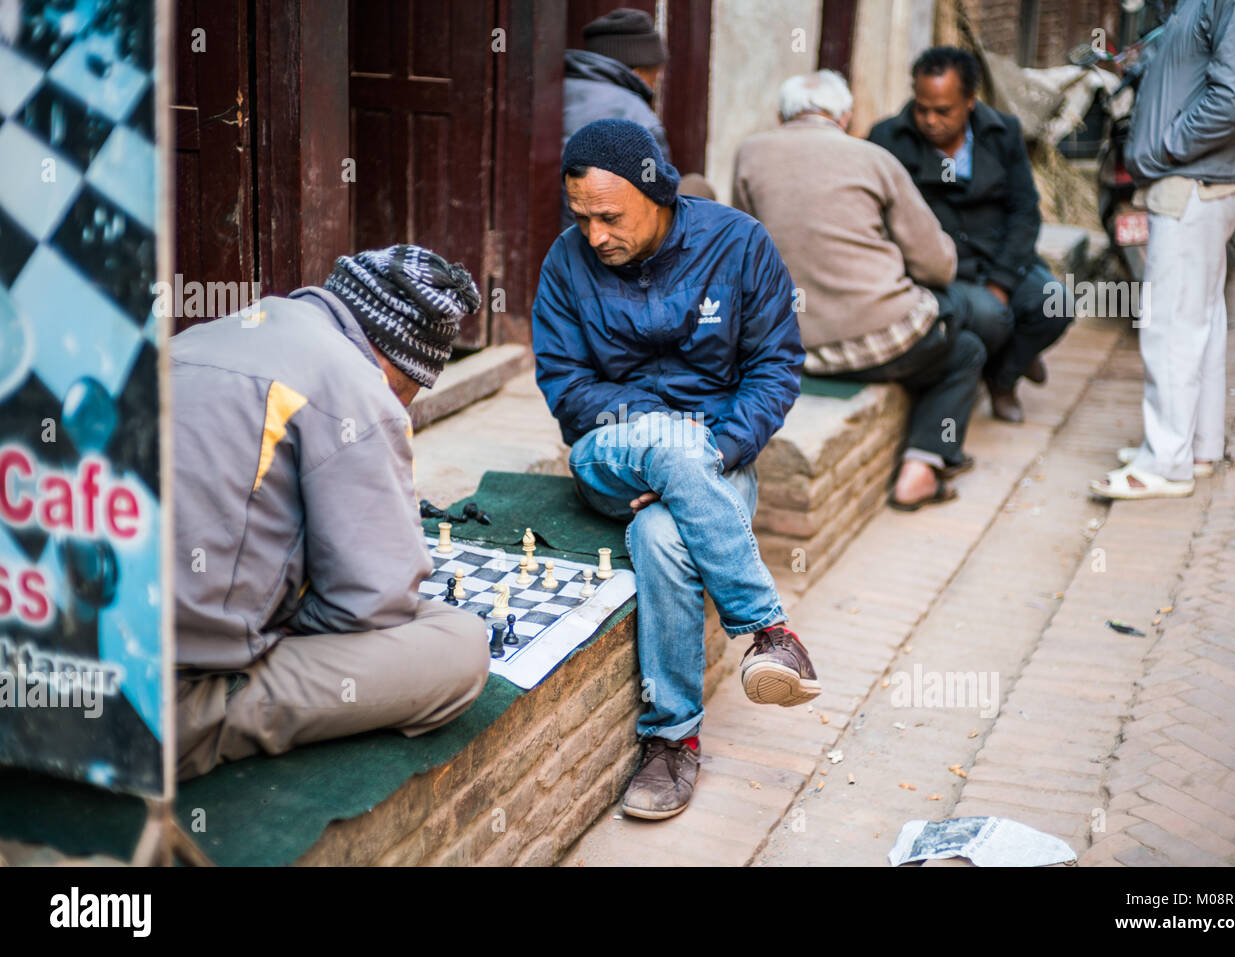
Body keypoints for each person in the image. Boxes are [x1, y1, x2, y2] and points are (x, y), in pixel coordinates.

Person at [532, 118, 819, 820]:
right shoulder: (566, 264)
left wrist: (710, 451)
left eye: (609, 216)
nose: (594, 235)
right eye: (581, 217)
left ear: (657, 193)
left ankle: (672, 742)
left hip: (718, 456)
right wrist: (661, 433)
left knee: (663, 536)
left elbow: (775, 367)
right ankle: (769, 631)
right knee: (666, 440)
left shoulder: (738, 244)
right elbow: (567, 387)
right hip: (609, 452)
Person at [172, 245, 489, 780]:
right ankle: (211, 713)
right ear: (394, 367)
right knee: (458, 645)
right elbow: (371, 605)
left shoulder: (204, 335)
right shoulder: (357, 385)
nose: (402, 408)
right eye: (408, 394)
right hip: (140, 698)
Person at [734, 70, 984, 510]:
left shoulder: (749, 154)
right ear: (845, 117)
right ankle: (922, 469)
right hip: (877, 346)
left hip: (789, 347)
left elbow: (743, 247)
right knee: (964, 346)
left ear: (781, 115)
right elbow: (937, 265)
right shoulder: (874, 158)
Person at [1091, 0, 1235, 499]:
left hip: (1192, 180)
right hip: (1196, 178)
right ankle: (1195, 448)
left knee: (1169, 321)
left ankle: (1164, 462)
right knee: (1200, 316)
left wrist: (1166, 146)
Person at [869, 46, 1071, 424]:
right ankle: (1011, 359)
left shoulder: (1003, 133)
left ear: (970, 102)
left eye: (943, 111)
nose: (930, 120)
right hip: (940, 270)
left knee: (1055, 303)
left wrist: (1003, 279)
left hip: (1000, 257)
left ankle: (1004, 375)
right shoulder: (888, 139)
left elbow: (1024, 211)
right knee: (991, 317)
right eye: (922, 107)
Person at [560, 7, 670, 230]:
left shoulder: (550, 92)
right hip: (601, 249)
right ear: (638, 72)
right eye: (655, 74)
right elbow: (658, 202)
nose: (655, 83)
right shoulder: (637, 117)